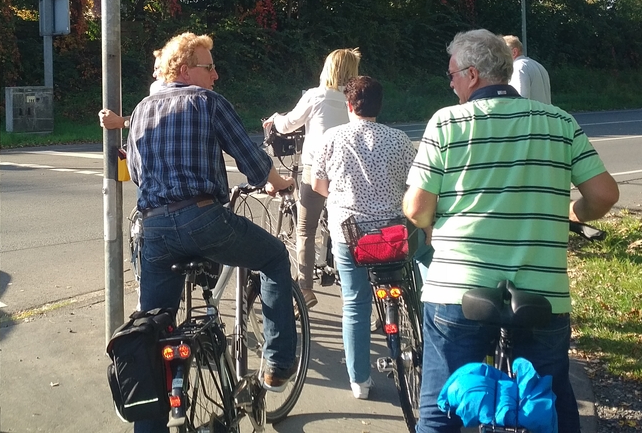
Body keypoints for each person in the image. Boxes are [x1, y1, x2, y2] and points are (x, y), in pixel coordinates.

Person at [403, 30, 619, 433]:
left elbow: (417, 209)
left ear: (472, 74)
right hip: (542, 292)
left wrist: (433, 220)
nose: (450, 84)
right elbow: (604, 194)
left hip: (458, 288)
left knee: (439, 411)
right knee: (550, 404)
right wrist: (572, 212)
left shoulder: (447, 122)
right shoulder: (559, 121)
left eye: (452, 75)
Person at [126, 32, 295, 433]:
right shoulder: (207, 102)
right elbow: (253, 162)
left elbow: (136, 173)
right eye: (209, 67)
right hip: (201, 219)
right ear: (185, 70)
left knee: (154, 329)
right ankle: (277, 364)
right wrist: (280, 183)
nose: (216, 75)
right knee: (273, 257)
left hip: (154, 228)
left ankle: (149, 423)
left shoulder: (141, 109)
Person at [311, 76, 416, 399]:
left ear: (349, 105)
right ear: (379, 105)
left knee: (356, 303)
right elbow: (414, 184)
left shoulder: (333, 137)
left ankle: (360, 380)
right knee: (407, 291)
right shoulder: (400, 140)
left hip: (350, 234)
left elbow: (318, 185)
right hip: (392, 234)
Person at [264, 47, 361, 309]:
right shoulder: (354, 99)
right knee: (348, 226)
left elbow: (288, 124)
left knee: (306, 229)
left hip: (316, 170)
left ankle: (306, 288)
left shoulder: (316, 96)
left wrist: (275, 119)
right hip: (346, 171)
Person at [99, 49, 163, 130]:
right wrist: (121, 121)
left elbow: (155, 121)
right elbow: (153, 118)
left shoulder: (158, 87)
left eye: (157, 68)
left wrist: (121, 122)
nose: (154, 74)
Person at [502, 34, 552, 104]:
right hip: (544, 111)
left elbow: (520, 101)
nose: (499, 56)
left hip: (530, 111)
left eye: (502, 52)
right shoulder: (539, 65)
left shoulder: (518, 67)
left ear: (514, 52)